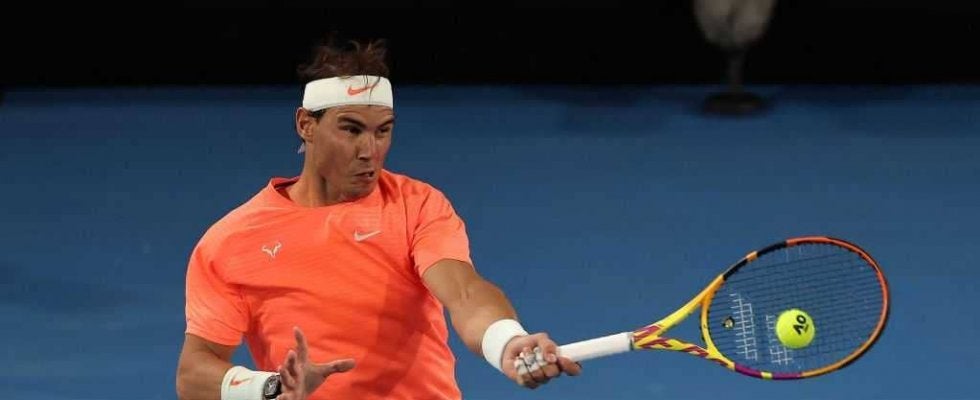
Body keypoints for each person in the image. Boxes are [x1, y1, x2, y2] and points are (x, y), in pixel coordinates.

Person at [175, 36, 582, 400]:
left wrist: (506, 340)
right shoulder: (231, 241)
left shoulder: (417, 205)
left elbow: (464, 293)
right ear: (306, 125)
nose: (369, 151)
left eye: (382, 131)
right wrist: (272, 387)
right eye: (351, 130)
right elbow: (194, 373)